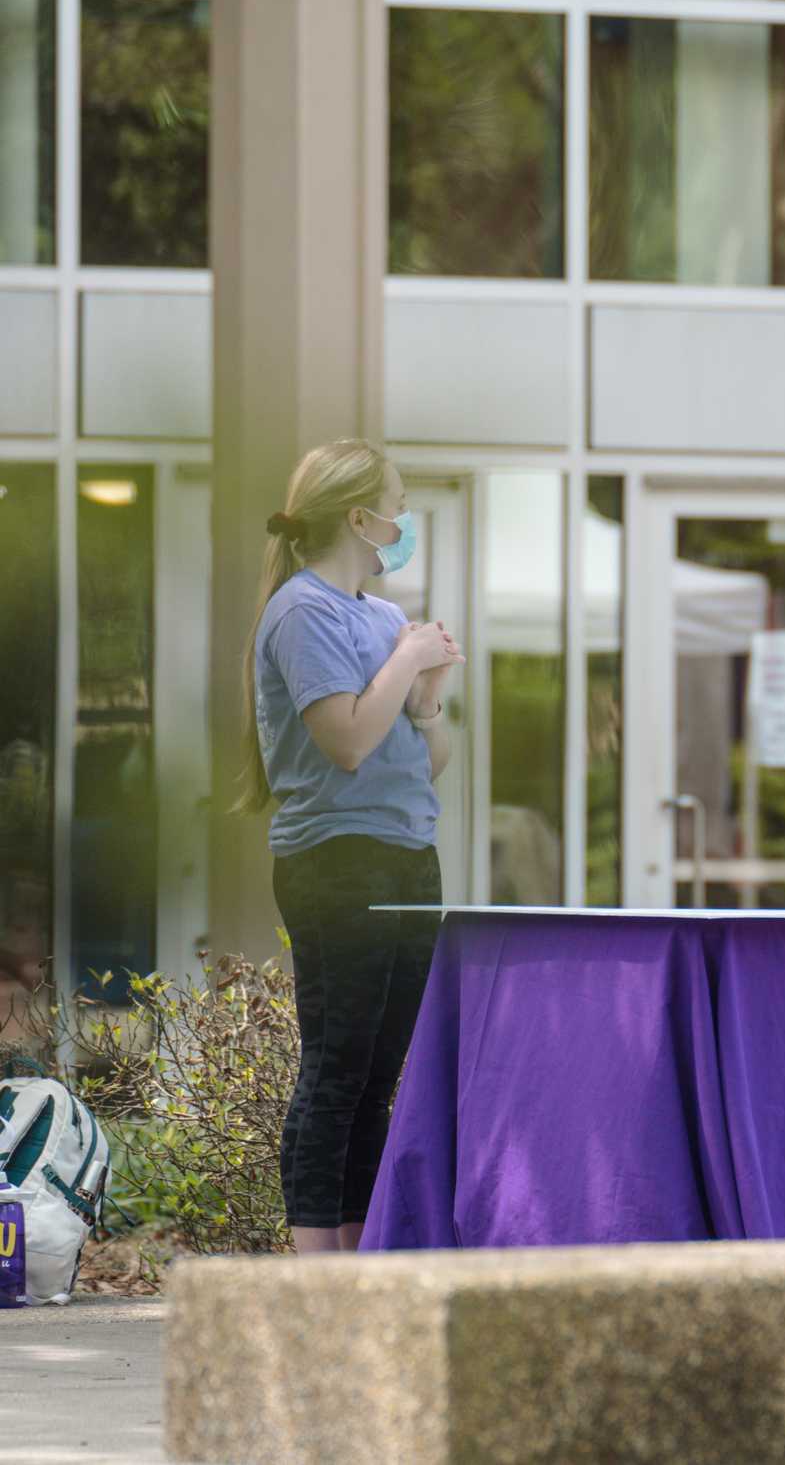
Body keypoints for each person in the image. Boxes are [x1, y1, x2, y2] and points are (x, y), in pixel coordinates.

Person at [235, 439, 461, 1255]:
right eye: (394, 505)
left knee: (377, 1073)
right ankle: (314, 1269)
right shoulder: (303, 612)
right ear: (358, 516)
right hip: (336, 861)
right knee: (338, 1064)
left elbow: (422, 762)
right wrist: (406, 659)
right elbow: (348, 742)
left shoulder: (381, 615)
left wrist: (428, 698)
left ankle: (356, 1257)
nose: (402, 523)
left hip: (406, 856)